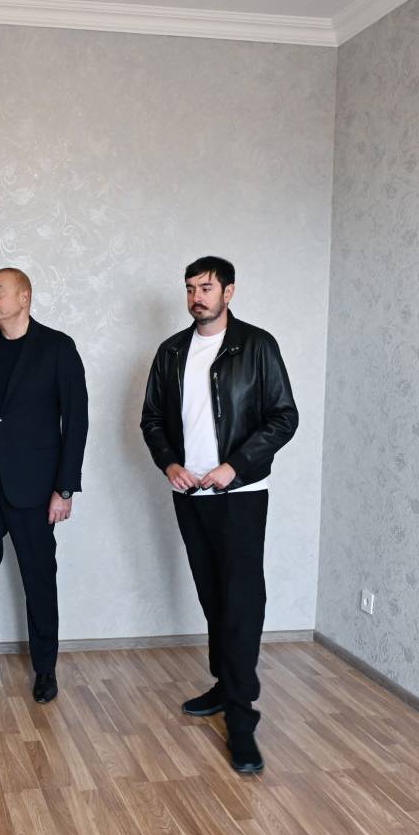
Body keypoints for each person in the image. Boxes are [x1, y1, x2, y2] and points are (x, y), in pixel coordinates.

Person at [139, 256, 298, 773]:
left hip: (241, 492)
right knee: (212, 594)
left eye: (206, 288)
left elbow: (283, 416)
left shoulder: (257, 345)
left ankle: (242, 714)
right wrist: (169, 463)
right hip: (190, 493)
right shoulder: (171, 352)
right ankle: (224, 684)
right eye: (190, 288)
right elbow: (152, 418)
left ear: (228, 292)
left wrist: (236, 466)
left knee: (242, 599)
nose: (196, 297)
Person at [0, 268, 88, 704]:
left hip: (36, 490)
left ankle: (45, 669)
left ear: (24, 297)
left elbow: (76, 422)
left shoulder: (58, 348)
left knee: (39, 581)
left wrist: (65, 489)